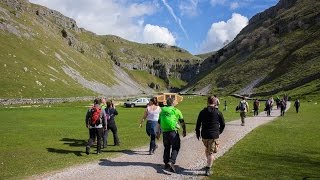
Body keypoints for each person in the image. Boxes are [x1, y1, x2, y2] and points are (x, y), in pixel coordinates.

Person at [195, 96, 225, 176]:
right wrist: (219, 132)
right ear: (215, 103)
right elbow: (223, 124)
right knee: (211, 153)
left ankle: (208, 164)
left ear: (207, 102)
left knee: (207, 149)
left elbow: (198, 124)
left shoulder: (202, 112)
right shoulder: (218, 112)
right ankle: (208, 169)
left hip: (204, 135)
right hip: (213, 135)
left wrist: (198, 133)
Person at [156, 97, 186, 173]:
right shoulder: (176, 111)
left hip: (165, 132)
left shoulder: (162, 110)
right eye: (175, 101)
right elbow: (182, 121)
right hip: (173, 132)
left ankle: (166, 163)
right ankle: (171, 161)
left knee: (166, 147)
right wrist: (184, 130)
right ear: (173, 103)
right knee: (176, 147)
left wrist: (158, 132)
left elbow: (159, 122)